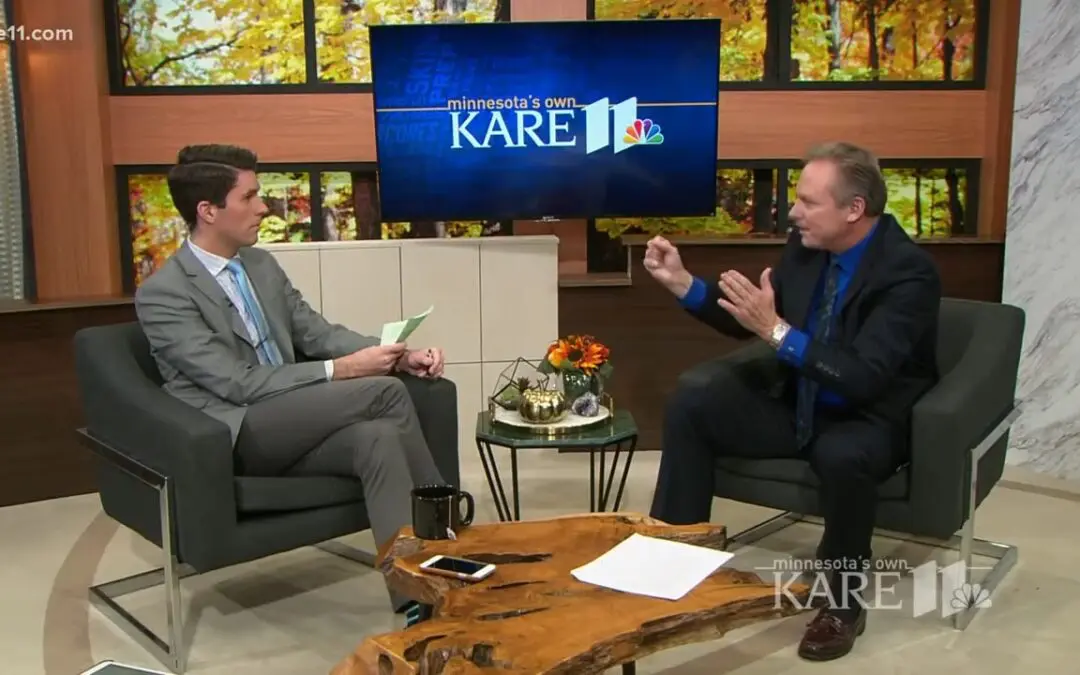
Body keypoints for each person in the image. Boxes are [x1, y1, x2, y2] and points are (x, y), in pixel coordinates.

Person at [643, 141, 941, 661]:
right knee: (694, 400)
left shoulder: (908, 274)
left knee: (842, 455)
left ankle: (842, 604)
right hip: (799, 399)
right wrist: (684, 283)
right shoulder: (804, 249)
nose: (793, 212)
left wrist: (776, 331)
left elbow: (864, 377)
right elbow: (754, 314)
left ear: (854, 209)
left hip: (865, 415)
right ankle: (677, 554)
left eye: (807, 202)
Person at [134, 143, 448, 611]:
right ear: (208, 210)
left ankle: (416, 600)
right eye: (250, 197)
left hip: (295, 415)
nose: (264, 207)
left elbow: (316, 332)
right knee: (383, 394)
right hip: (238, 429)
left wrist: (396, 356)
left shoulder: (260, 265)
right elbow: (236, 384)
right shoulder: (164, 295)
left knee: (377, 438)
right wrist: (343, 371)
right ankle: (455, 539)